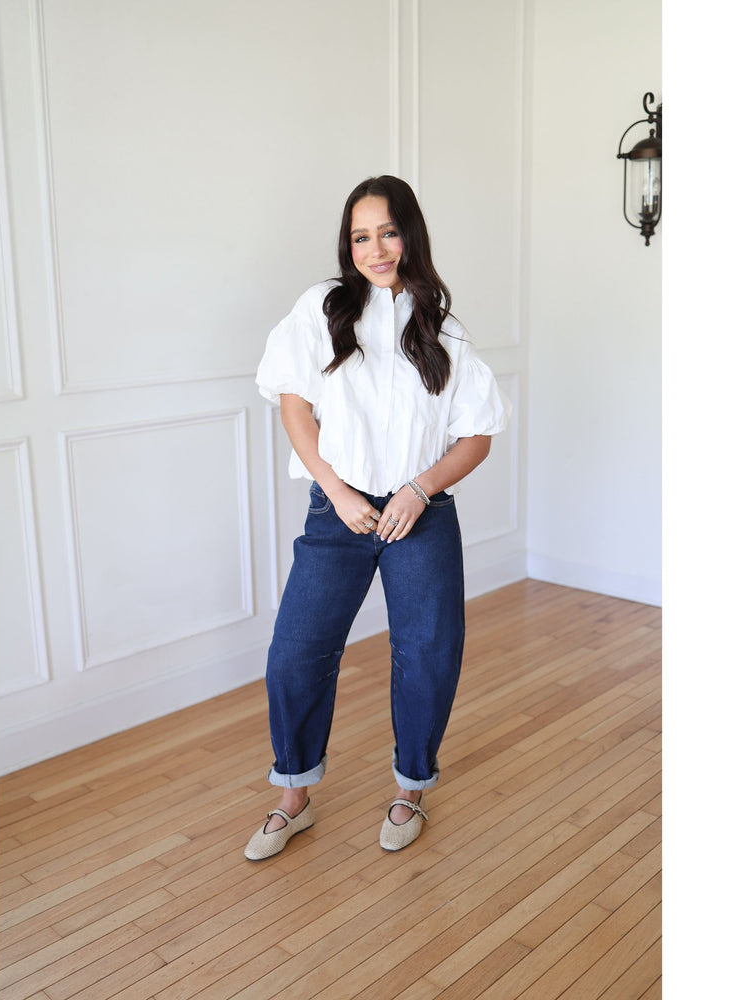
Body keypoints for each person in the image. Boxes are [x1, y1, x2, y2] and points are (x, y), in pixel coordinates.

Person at [246, 175, 510, 860]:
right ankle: (293, 796)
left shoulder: (441, 326)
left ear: (410, 235)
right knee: (297, 652)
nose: (375, 248)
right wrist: (334, 489)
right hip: (340, 511)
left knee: (426, 653)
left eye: (388, 232)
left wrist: (419, 490)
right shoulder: (323, 308)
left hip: (419, 514)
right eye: (361, 236)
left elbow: (476, 434)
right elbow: (295, 404)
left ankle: (410, 789)